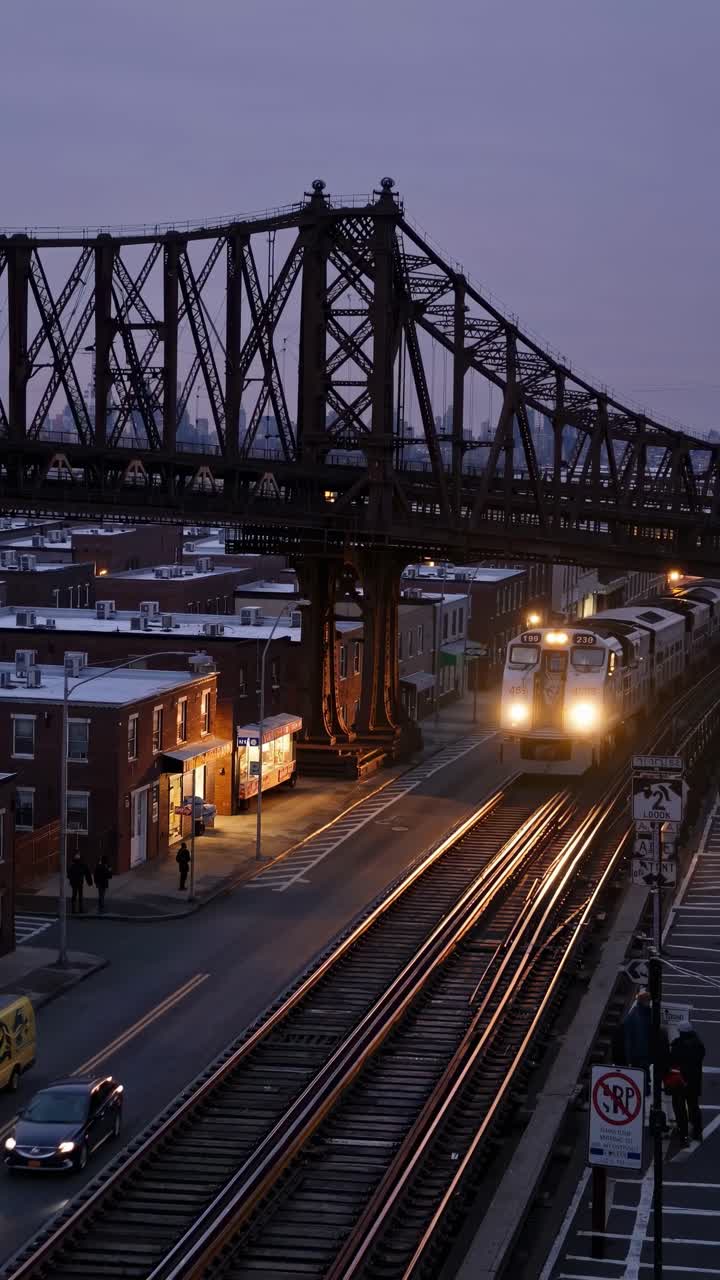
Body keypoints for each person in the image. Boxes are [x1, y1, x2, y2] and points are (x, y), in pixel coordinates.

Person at [669, 1020, 706, 1143]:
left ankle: (683, 1132)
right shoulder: (699, 1045)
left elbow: (673, 1061)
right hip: (694, 1081)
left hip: (680, 1081)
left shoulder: (678, 1046)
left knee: (679, 1107)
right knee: (693, 1106)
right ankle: (697, 1131)